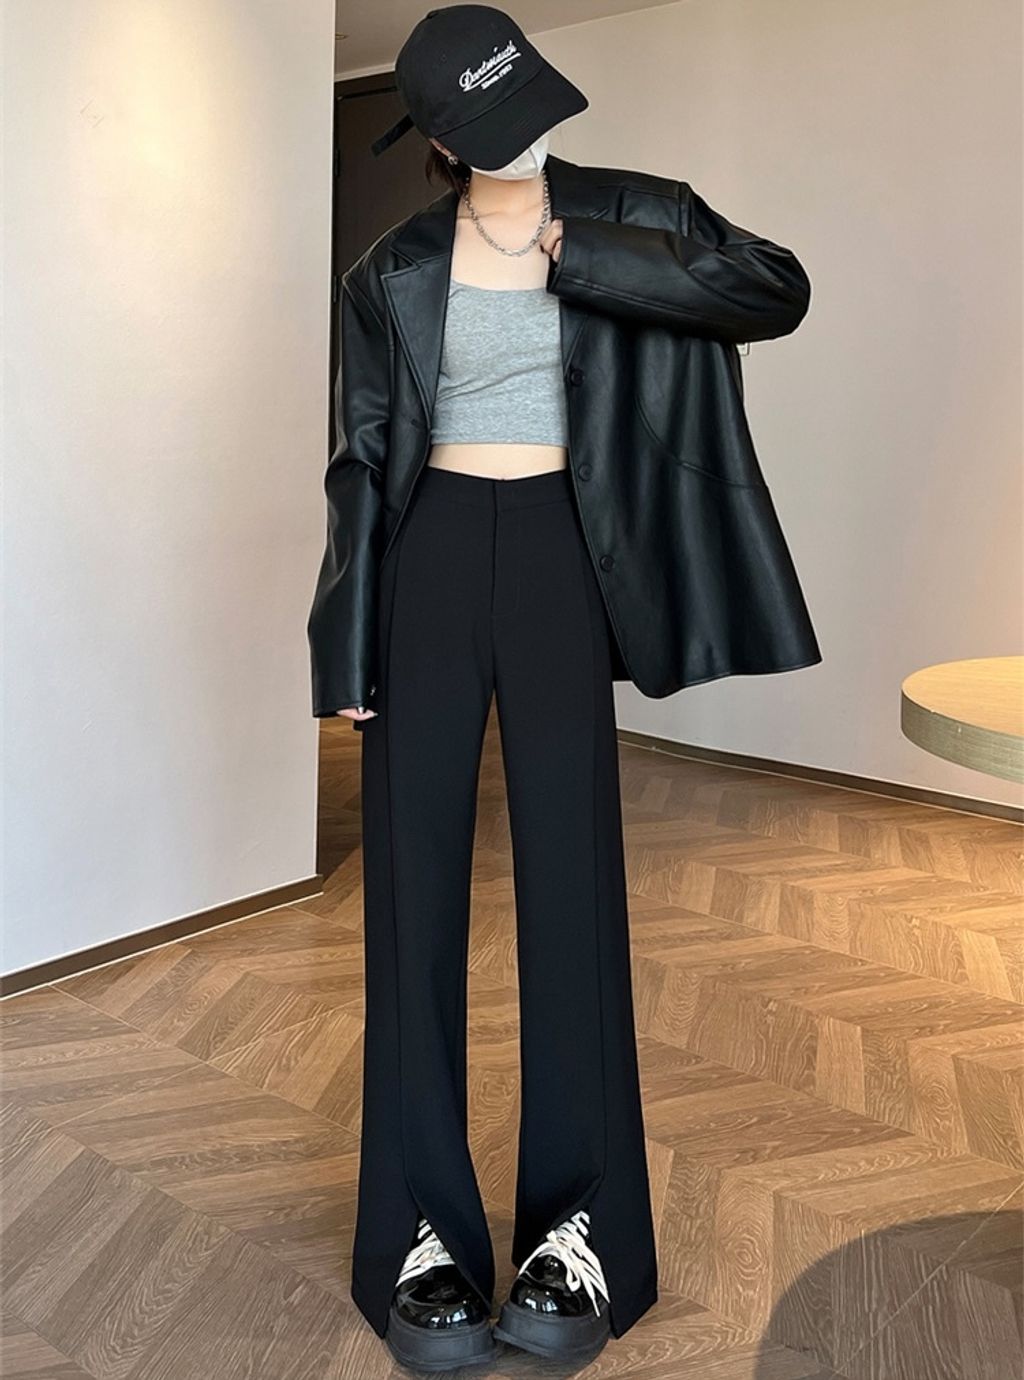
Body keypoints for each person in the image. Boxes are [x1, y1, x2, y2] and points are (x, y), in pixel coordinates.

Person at [307, 5, 820, 1370]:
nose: (529, 133)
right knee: (410, 892)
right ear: (441, 138)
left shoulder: (635, 210)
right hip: (425, 561)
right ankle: (416, 1231)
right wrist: (343, 642)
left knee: (573, 882)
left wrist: (575, 251)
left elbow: (774, 290)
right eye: (495, 118)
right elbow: (360, 459)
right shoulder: (391, 268)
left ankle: (581, 1228)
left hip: (558, 554)